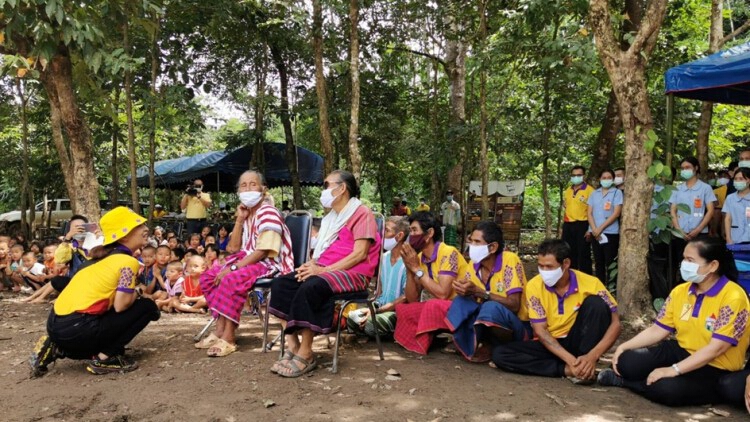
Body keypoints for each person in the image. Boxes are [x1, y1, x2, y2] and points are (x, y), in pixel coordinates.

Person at [598, 238, 750, 407]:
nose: (684, 264)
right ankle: (650, 379)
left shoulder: (733, 296)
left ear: (713, 266)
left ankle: (627, 383)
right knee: (626, 361)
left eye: (690, 260)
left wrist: (673, 370)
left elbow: (716, 349)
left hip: (715, 365)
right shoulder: (680, 291)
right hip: (681, 351)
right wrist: (624, 347)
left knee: (666, 389)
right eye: (684, 258)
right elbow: (658, 330)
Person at [268, 170, 380, 377]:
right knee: (282, 284)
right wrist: (310, 265)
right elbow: (324, 252)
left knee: (313, 285)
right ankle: (292, 344)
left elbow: (360, 254)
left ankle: (307, 352)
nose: (324, 190)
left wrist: (321, 270)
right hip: (326, 269)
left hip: (354, 273)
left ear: (342, 188)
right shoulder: (332, 218)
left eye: (327, 185)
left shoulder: (362, 213)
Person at [30, 207, 160, 377]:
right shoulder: (128, 262)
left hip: (55, 324)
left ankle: (56, 346)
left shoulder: (97, 258)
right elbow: (121, 305)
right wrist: (138, 292)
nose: (146, 228)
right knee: (147, 307)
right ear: (125, 235)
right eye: (139, 225)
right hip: (78, 328)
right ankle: (104, 359)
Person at [492, 239, 620, 384]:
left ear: (565, 264)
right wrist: (570, 361)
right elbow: (541, 331)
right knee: (500, 354)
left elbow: (615, 323)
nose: (544, 271)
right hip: (551, 343)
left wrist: (592, 356)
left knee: (596, 304)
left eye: (549, 267)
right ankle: (570, 370)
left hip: (579, 340)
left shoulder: (591, 283)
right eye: (541, 266)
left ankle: (585, 364)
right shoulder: (534, 286)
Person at [196, 170, 294, 358]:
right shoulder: (248, 214)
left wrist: (233, 268)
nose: (248, 188)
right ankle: (219, 329)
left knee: (231, 278)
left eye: (253, 184)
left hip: (271, 264)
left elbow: (263, 251)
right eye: (243, 185)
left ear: (263, 189)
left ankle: (229, 337)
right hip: (249, 260)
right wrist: (240, 219)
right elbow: (233, 249)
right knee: (209, 276)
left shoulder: (268, 213)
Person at [445, 221, 530, 362]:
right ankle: (465, 340)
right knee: (461, 301)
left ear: (493, 247)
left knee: (490, 307)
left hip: (518, 325)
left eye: (477, 242)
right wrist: (463, 290)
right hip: (486, 321)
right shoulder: (473, 265)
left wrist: (480, 292)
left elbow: (515, 305)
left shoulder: (509, 260)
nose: (472, 246)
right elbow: (470, 296)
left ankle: (493, 345)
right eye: (471, 241)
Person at [394, 211, 466, 355]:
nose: (411, 236)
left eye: (414, 230)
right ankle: (433, 337)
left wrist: (416, 269)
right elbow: (413, 299)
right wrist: (409, 270)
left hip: (461, 306)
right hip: (441, 308)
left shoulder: (448, 252)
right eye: (410, 231)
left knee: (433, 304)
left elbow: (443, 294)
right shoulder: (419, 257)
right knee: (404, 309)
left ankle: (435, 337)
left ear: (429, 233)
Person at [347, 216, 409, 338]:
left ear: (400, 236)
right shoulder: (384, 257)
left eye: (386, 230)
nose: (382, 234)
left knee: (371, 324)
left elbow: (405, 297)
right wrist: (372, 308)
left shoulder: (408, 260)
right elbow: (379, 291)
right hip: (380, 307)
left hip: (398, 311)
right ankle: (373, 330)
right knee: (351, 317)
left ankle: (382, 330)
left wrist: (376, 311)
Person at [670, 157, 716, 286]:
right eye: (683, 168)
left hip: (699, 234)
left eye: (688, 167)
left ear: (696, 168)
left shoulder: (705, 188)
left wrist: (697, 230)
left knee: (699, 264)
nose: (685, 170)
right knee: (682, 264)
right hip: (680, 234)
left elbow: (710, 211)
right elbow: (672, 210)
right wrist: (678, 230)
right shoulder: (677, 189)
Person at [587, 169, 623, 287]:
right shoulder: (594, 193)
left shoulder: (616, 193)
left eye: (609, 178)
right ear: (599, 179)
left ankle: (611, 288)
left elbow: (616, 213)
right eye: (604, 177)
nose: (606, 180)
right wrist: (594, 229)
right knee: (598, 262)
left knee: (610, 262)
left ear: (612, 180)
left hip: (610, 233)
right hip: (595, 233)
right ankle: (600, 288)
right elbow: (589, 213)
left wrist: (600, 228)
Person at [562, 165, 594, 274]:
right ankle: (571, 277)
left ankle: (586, 280)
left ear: (583, 176)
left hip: (583, 224)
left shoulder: (590, 191)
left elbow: (593, 212)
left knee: (583, 254)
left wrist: (590, 229)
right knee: (568, 253)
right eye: (574, 175)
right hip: (568, 224)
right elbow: (567, 206)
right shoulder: (568, 190)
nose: (576, 177)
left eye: (579, 175)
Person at [723, 167, 750, 245]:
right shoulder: (730, 198)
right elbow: (728, 219)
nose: (738, 181)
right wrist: (728, 238)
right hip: (735, 238)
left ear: (749, 180)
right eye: (736, 179)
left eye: (741, 179)